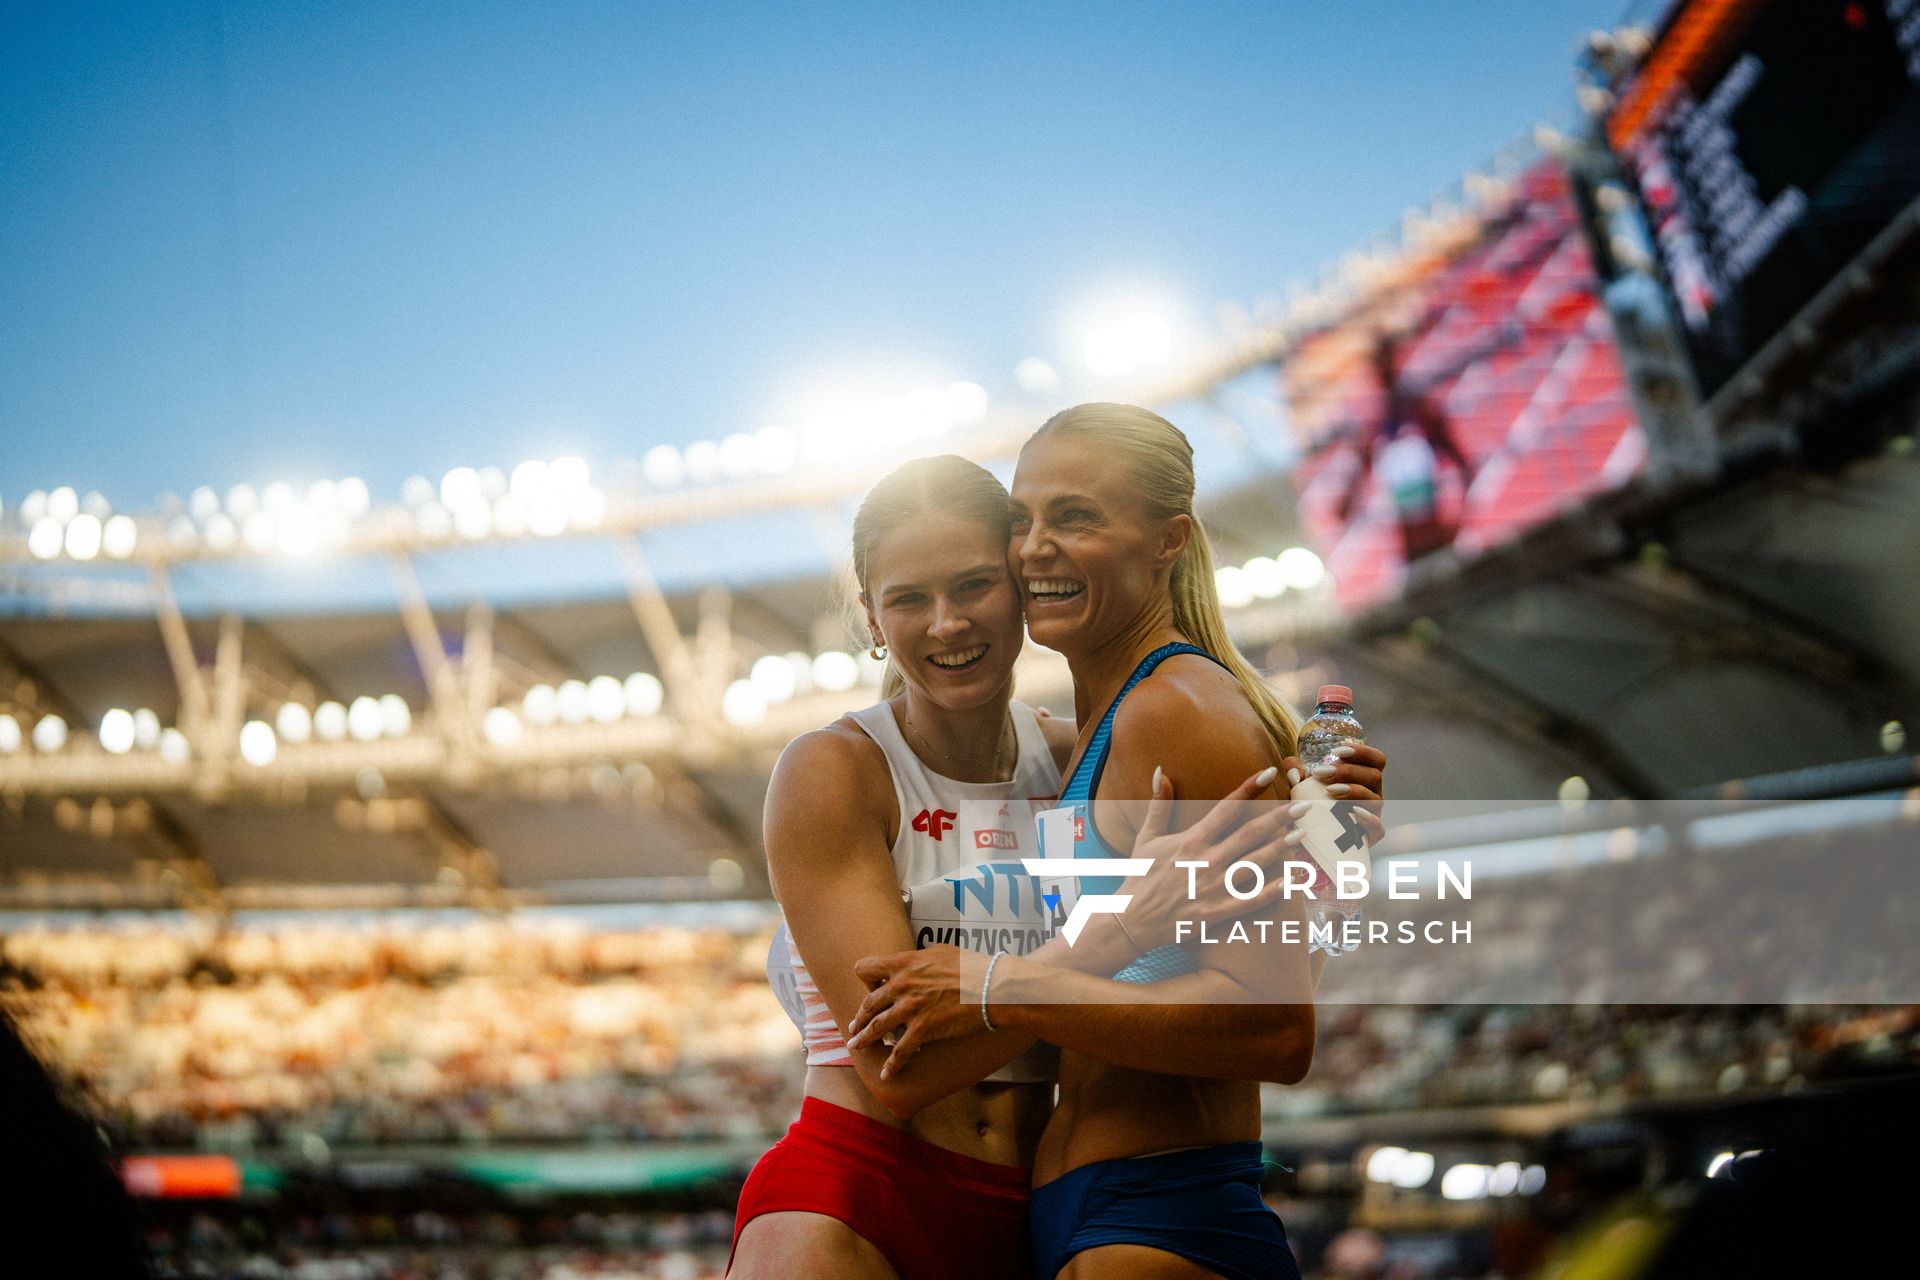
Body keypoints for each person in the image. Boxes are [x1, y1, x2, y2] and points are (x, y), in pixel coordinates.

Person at [727, 454, 1364, 1280]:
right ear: (872, 618)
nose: (946, 623)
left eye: (973, 586)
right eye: (909, 600)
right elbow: (900, 1070)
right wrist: (1126, 924)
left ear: (1021, 590)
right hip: (855, 1196)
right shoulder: (832, 770)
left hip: (1029, 1215)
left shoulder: (1079, 761)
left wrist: (1332, 851)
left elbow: (1250, 986)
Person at [1335, 332, 1476, 563]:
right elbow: (1354, 488)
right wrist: (1347, 504)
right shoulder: (1376, 429)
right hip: (1411, 543)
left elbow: (1462, 465)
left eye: (1385, 361)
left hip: (1436, 532)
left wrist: (1461, 518)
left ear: (1394, 362)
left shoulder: (1420, 415)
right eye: (1377, 364)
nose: (1383, 371)